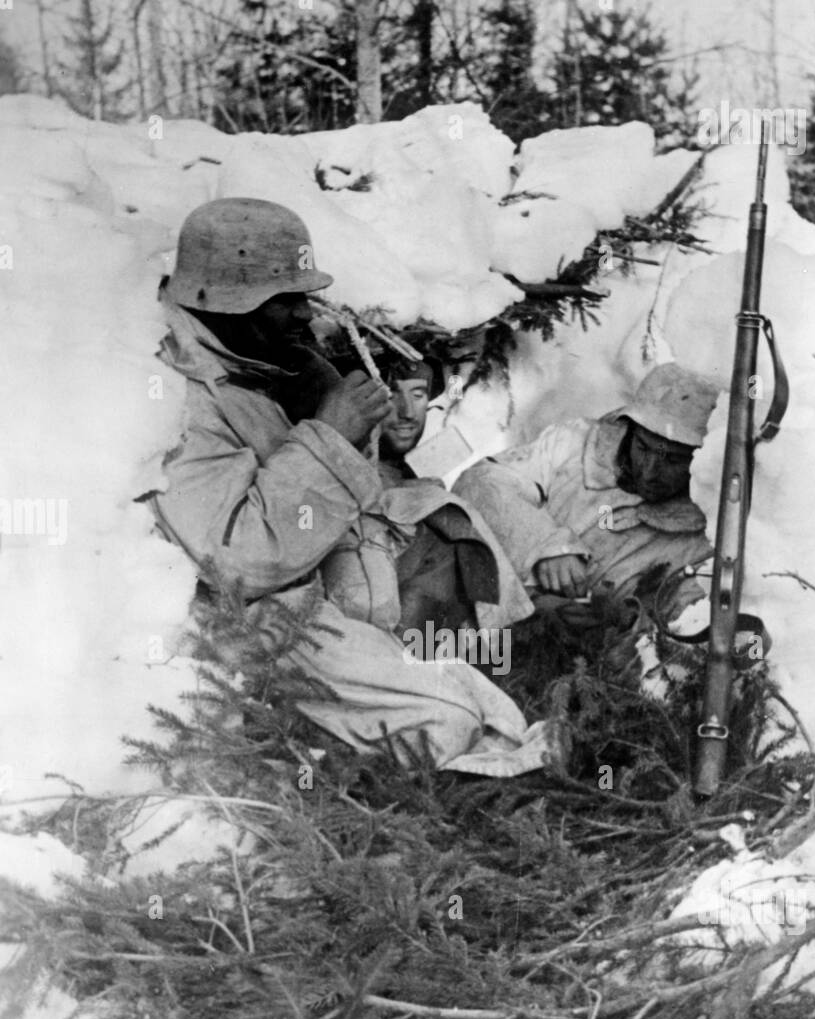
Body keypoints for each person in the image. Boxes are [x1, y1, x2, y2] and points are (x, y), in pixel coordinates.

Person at [142, 197, 545, 775]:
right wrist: (330, 434)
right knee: (449, 721)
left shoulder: (243, 354)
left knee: (496, 713)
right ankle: (305, 772)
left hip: (308, 589)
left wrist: (314, 394)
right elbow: (241, 564)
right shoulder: (178, 393)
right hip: (250, 625)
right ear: (231, 298)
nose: (306, 314)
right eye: (287, 300)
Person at [451, 364, 720, 622]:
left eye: (672, 461)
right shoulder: (571, 445)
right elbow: (480, 481)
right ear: (630, 430)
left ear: (700, 459)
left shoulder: (704, 536)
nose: (650, 471)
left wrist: (616, 618)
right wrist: (545, 546)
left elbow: (684, 625)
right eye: (643, 448)